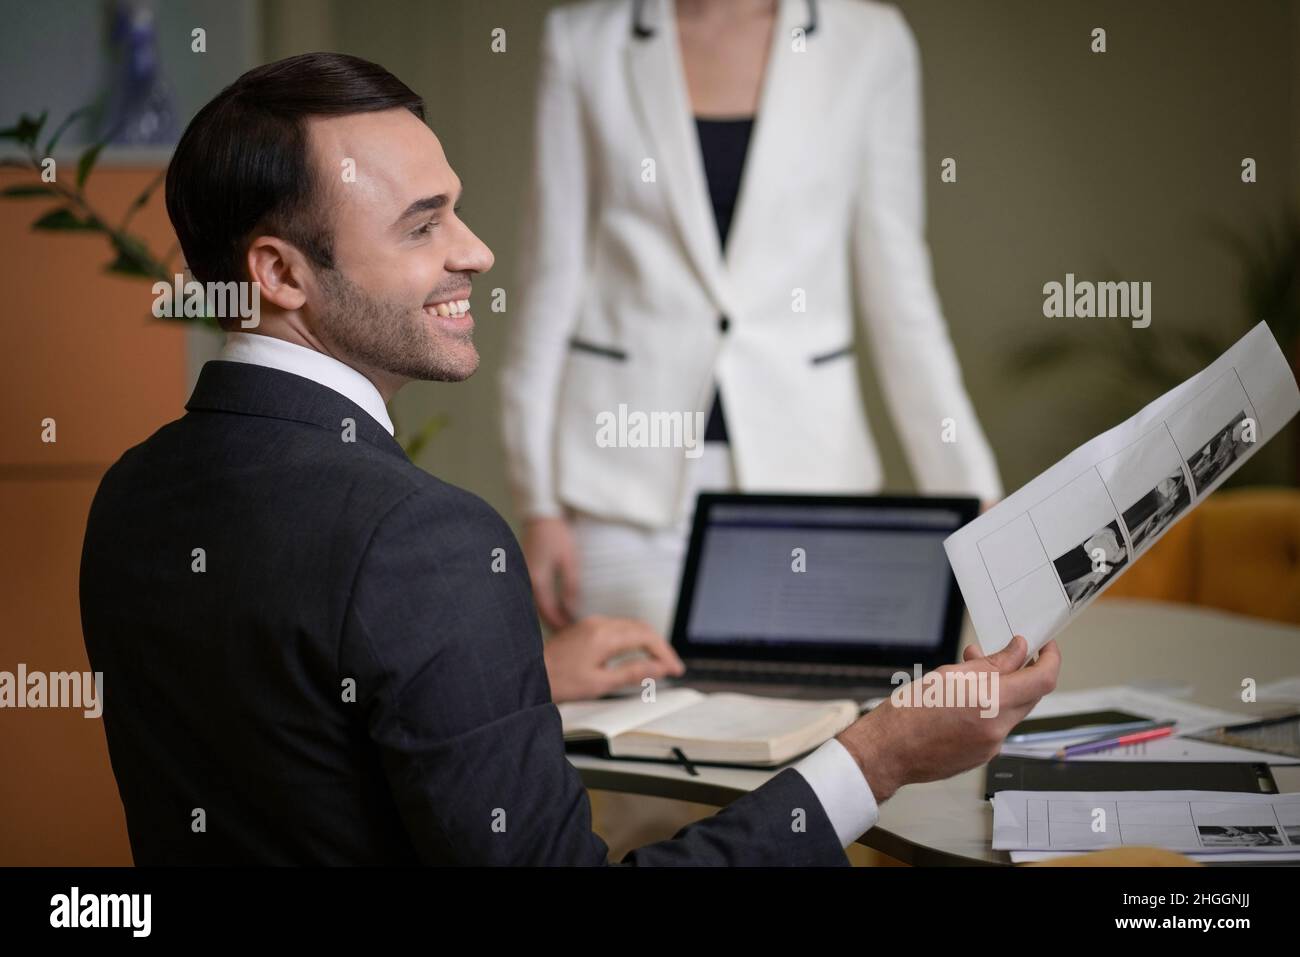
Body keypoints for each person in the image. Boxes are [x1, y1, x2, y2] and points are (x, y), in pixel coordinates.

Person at [79, 52, 1058, 865]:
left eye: (454, 210)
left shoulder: (132, 495)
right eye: (423, 225)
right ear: (280, 272)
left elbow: (292, 746)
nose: (476, 253)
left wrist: (505, 681)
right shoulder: (427, 542)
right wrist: (876, 755)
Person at [502, 0, 1004, 637]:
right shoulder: (583, 41)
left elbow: (900, 291)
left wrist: (971, 492)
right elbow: (550, 275)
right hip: (621, 488)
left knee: (803, 719)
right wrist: (539, 503)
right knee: (631, 723)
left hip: (807, 479)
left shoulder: (870, 41)